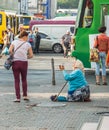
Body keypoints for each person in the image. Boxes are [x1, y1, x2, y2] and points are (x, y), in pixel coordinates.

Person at [9, 31, 33, 102]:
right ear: (24, 36)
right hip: (24, 63)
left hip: (15, 62)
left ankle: (18, 97)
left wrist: (14, 55)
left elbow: (10, 50)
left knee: (16, 80)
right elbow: (31, 55)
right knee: (24, 79)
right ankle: (25, 95)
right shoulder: (27, 44)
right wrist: (25, 56)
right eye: (27, 37)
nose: (27, 38)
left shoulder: (14, 42)